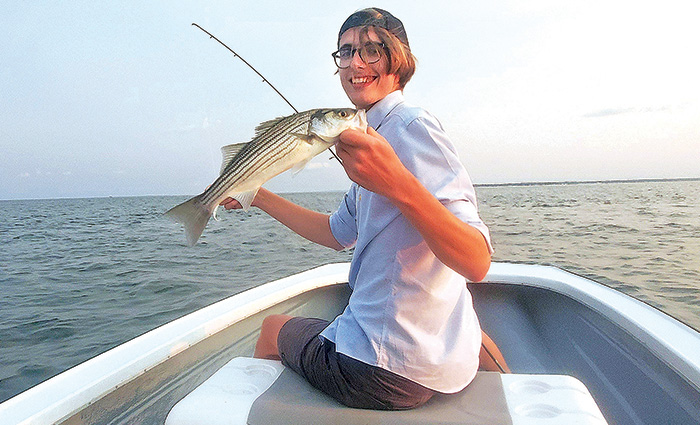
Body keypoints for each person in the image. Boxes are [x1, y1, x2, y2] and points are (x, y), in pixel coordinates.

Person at [221, 7, 508, 410]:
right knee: (471, 325)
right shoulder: (368, 134)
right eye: (346, 51)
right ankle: (509, 393)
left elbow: (476, 261)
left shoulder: (410, 125)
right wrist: (258, 194)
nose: (356, 63)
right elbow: (336, 234)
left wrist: (397, 183)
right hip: (441, 362)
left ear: (398, 60)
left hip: (381, 371)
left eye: (372, 50)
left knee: (272, 329)